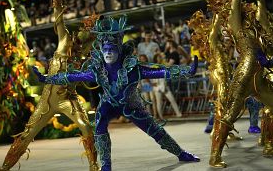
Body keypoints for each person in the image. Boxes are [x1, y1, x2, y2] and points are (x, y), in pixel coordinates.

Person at [33, 15, 200, 171]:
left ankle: (180, 153)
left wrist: (187, 71)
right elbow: (71, 76)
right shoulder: (97, 70)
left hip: (131, 105)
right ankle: (106, 166)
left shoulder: (133, 69)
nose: (108, 53)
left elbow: (161, 71)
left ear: (119, 49)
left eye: (111, 49)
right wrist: (47, 78)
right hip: (109, 104)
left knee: (155, 130)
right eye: (105, 49)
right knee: (99, 122)